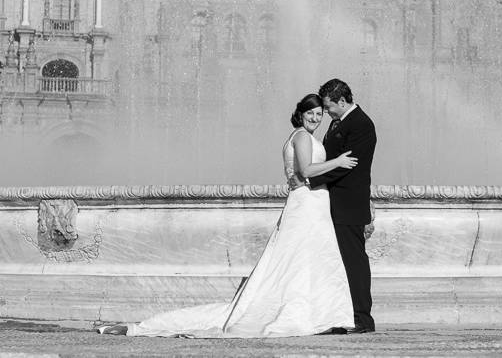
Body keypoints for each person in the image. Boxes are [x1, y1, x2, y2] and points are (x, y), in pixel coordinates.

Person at [98, 93, 357, 338]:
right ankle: (311, 315)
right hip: (307, 204)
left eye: (319, 113)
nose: (315, 118)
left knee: (303, 261)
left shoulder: (303, 136)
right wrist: (338, 162)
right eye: (310, 113)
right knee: (300, 260)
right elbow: (308, 170)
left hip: (311, 204)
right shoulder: (301, 137)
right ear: (300, 114)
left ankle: (316, 314)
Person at [308, 79, 377, 334]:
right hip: (335, 202)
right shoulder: (340, 122)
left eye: (328, 107)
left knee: (353, 261)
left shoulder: (360, 124)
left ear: (342, 101)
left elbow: (348, 166)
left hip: (348, 204)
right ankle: (340, 314)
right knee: (337, 261)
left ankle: (362, 318)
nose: (326, 113)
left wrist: (310, 179)